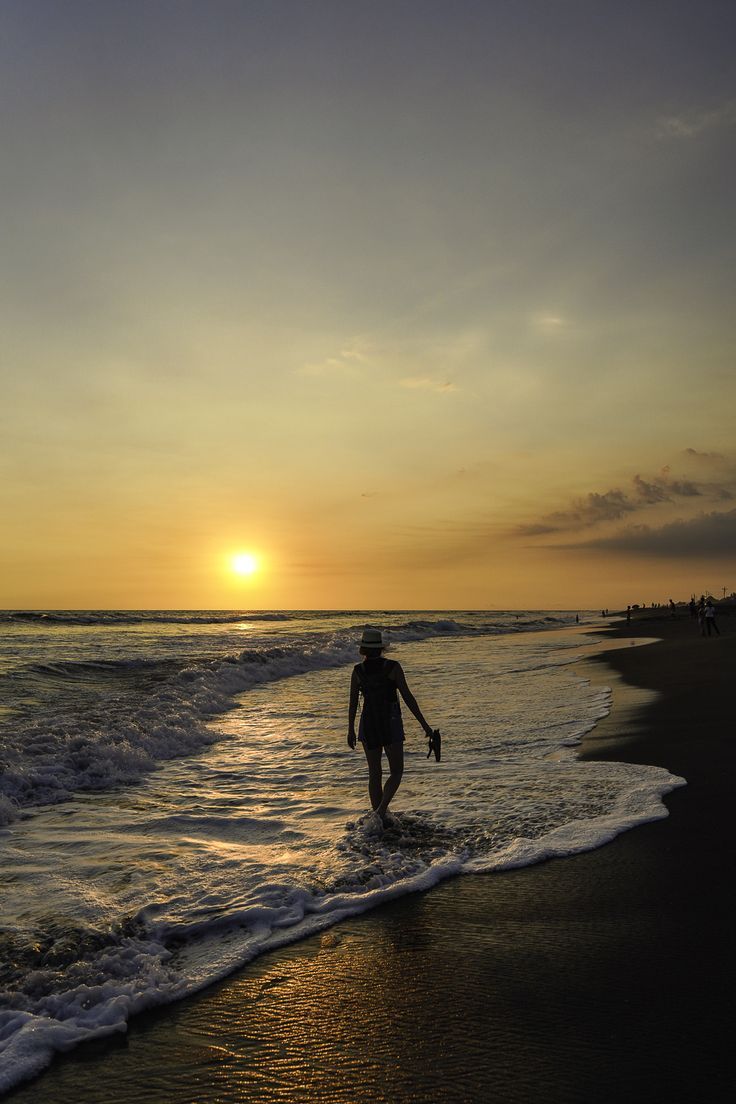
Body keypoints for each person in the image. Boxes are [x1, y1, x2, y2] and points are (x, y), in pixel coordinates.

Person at [347, 627, 435, 824]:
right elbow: (408, 698)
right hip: (390, 721)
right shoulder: (393, 667)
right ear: (381, 648)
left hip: (368, 722)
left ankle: (378, 819)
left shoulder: (358, 671)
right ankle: (381, 812)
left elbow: (352, 703)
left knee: (374, 773)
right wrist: (425, 725)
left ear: (363, 649)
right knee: (396, 771)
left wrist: (350, 729)